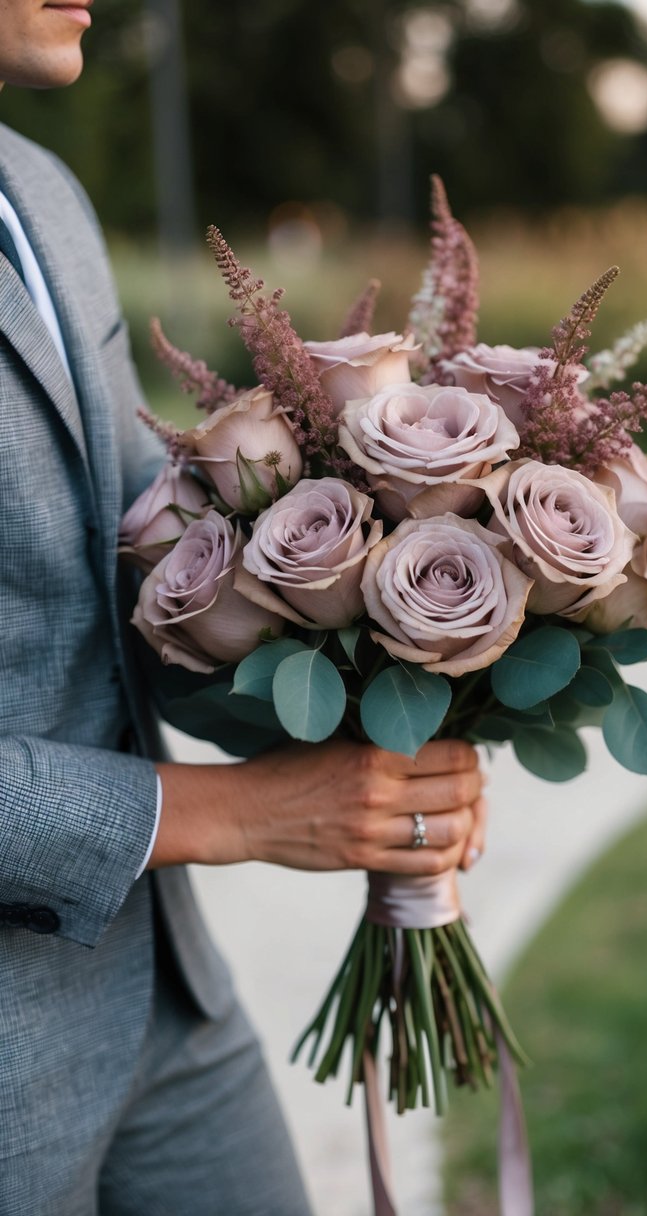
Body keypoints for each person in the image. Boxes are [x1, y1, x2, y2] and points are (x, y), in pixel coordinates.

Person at [0, 4, 486, 1213]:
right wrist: (244, 814)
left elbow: (135, 584)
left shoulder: (41, 193)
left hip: (165, 996)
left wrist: (377, 705)